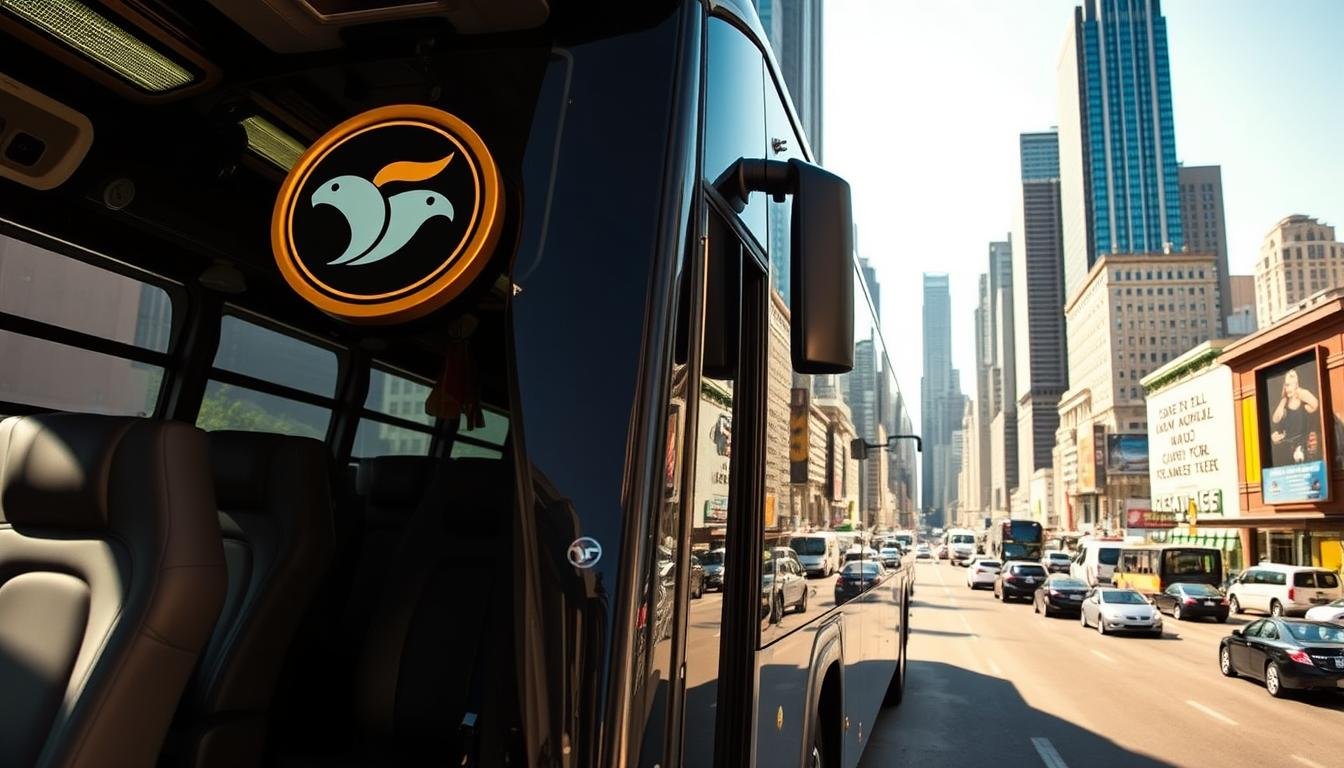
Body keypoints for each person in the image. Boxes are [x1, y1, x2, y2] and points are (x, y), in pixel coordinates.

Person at [1270, 368, 1319, 465]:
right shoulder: (1283, 405)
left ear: (1297, 384)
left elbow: (1315, 405)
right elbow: (1275, 421)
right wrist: (1275, 437)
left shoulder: (1305, 403)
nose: (1287, 388)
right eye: (1286, 384)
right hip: (1286, 452)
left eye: (1289, 384)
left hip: (1305, 448)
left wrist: (1301, 392)